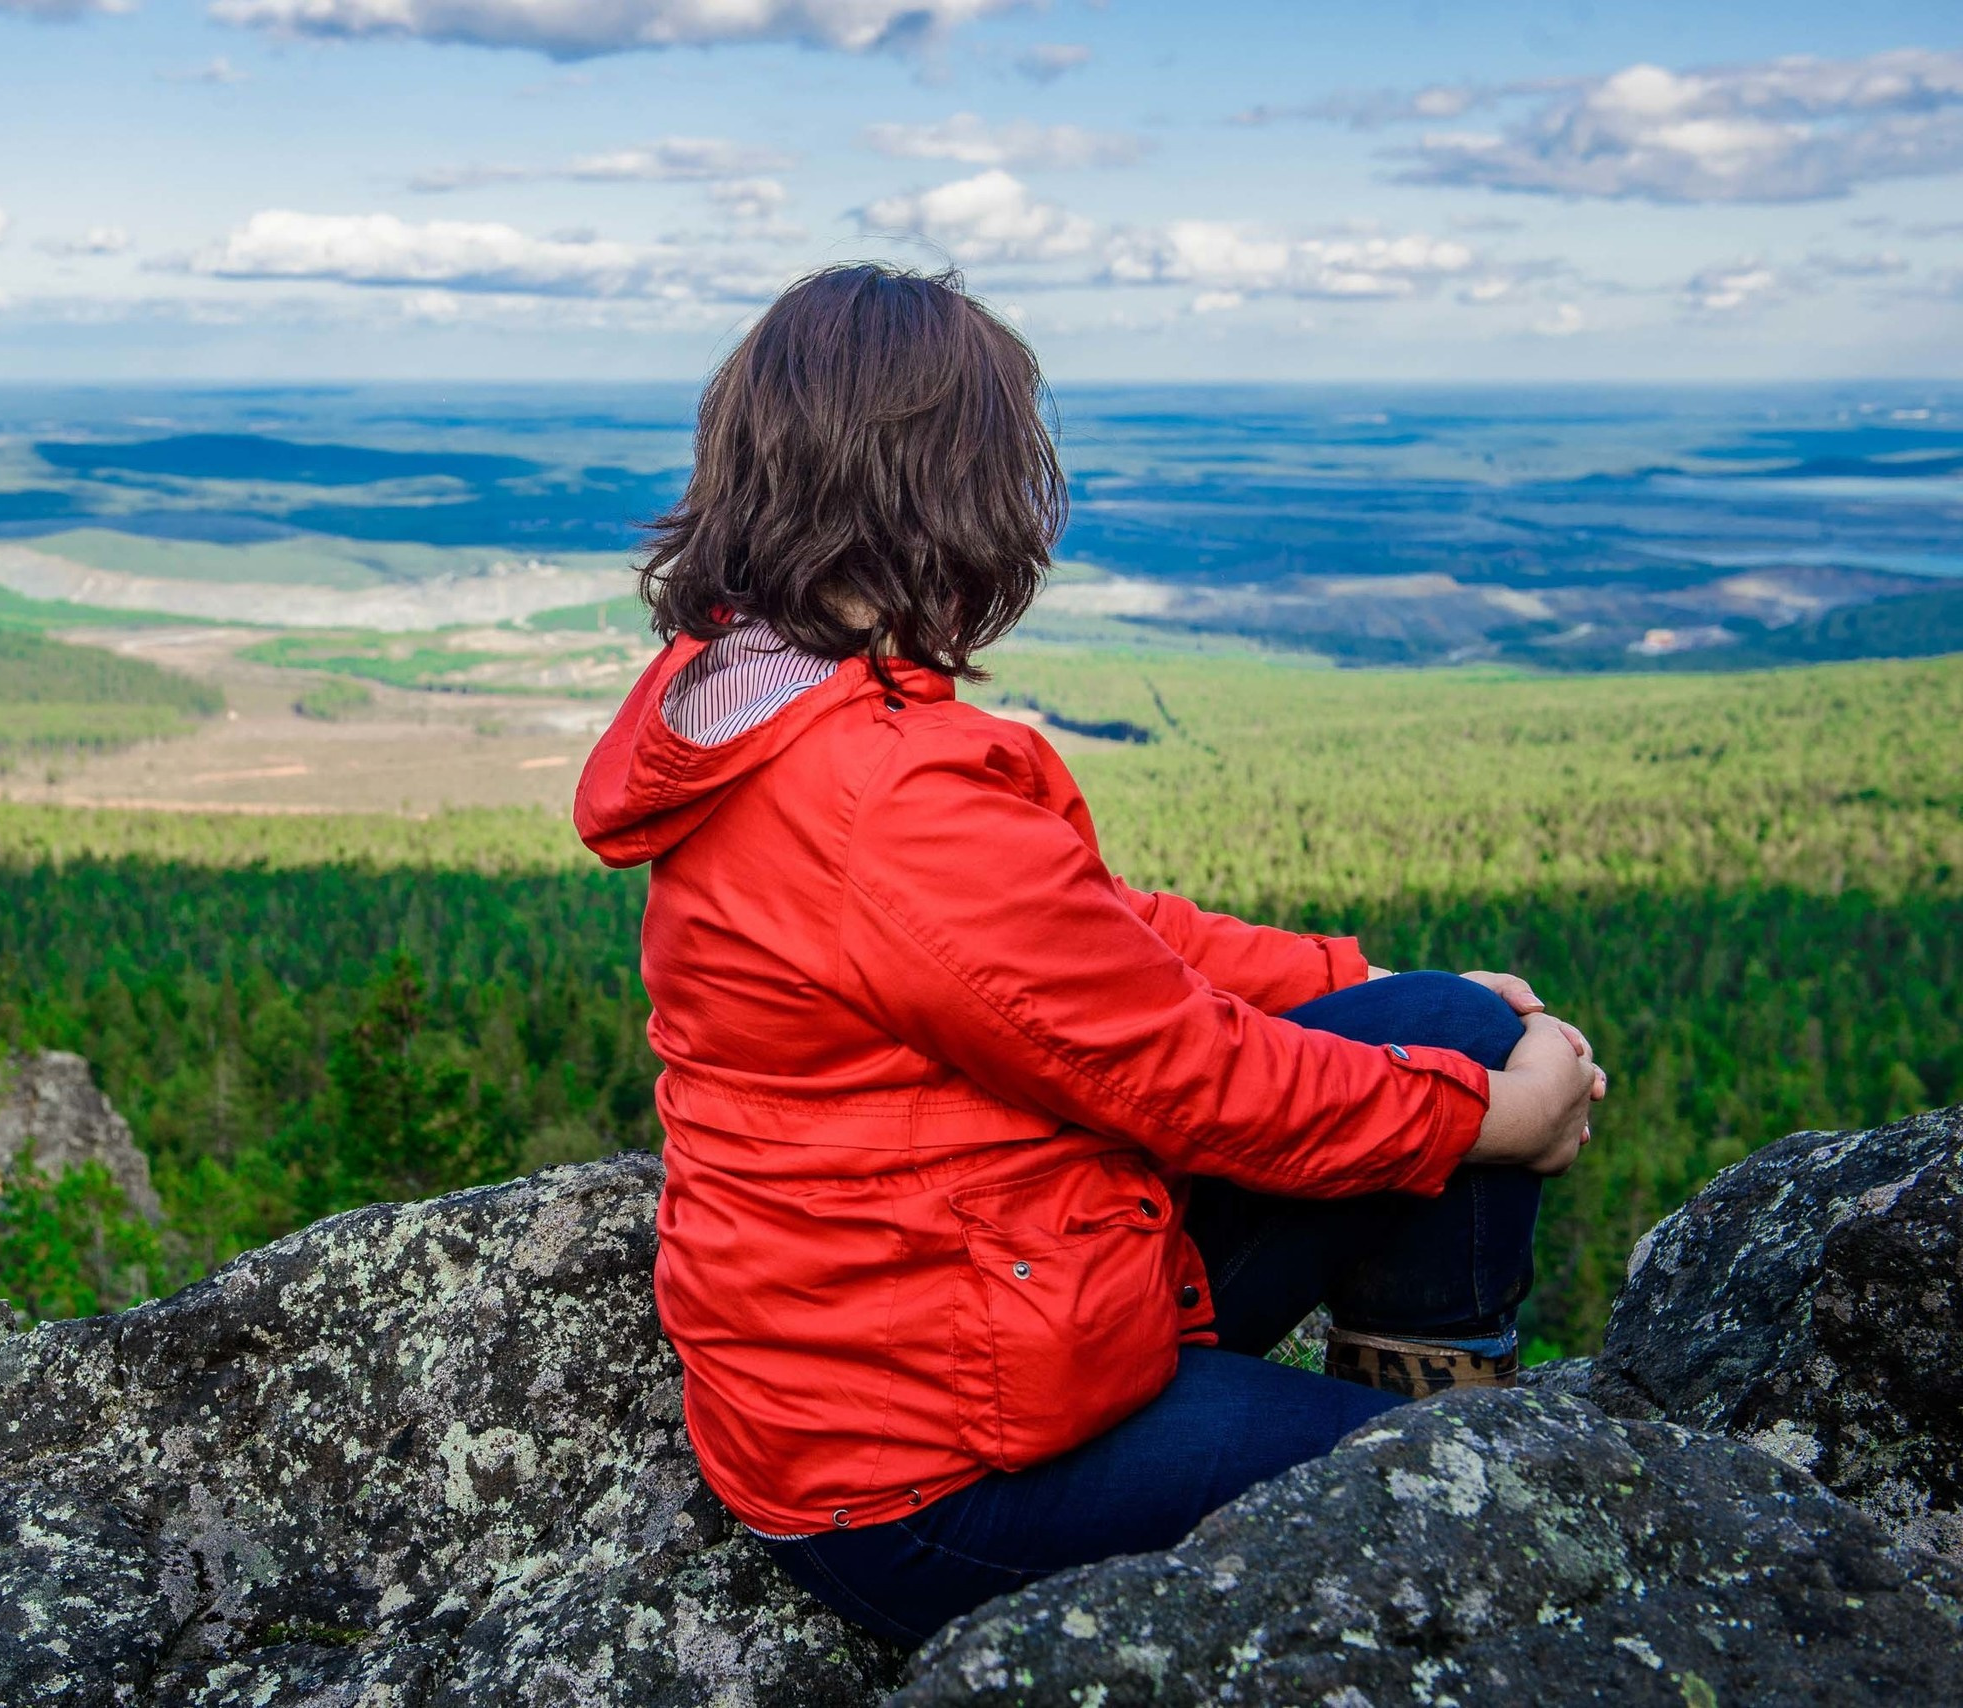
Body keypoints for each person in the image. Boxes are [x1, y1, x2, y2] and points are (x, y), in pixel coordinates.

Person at [573, 263, 1609, 1649]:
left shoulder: (781, 702)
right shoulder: (879, 797)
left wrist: (1352, 985)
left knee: (1442, 1021)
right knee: (1466, 1495)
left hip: (988, 1316)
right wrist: (1492, 1119)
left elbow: (1101, 942)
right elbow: (1194, 1078)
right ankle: (1441, 1490)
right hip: (925, 1475)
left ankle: (1424, 1391)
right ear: (956, 489)